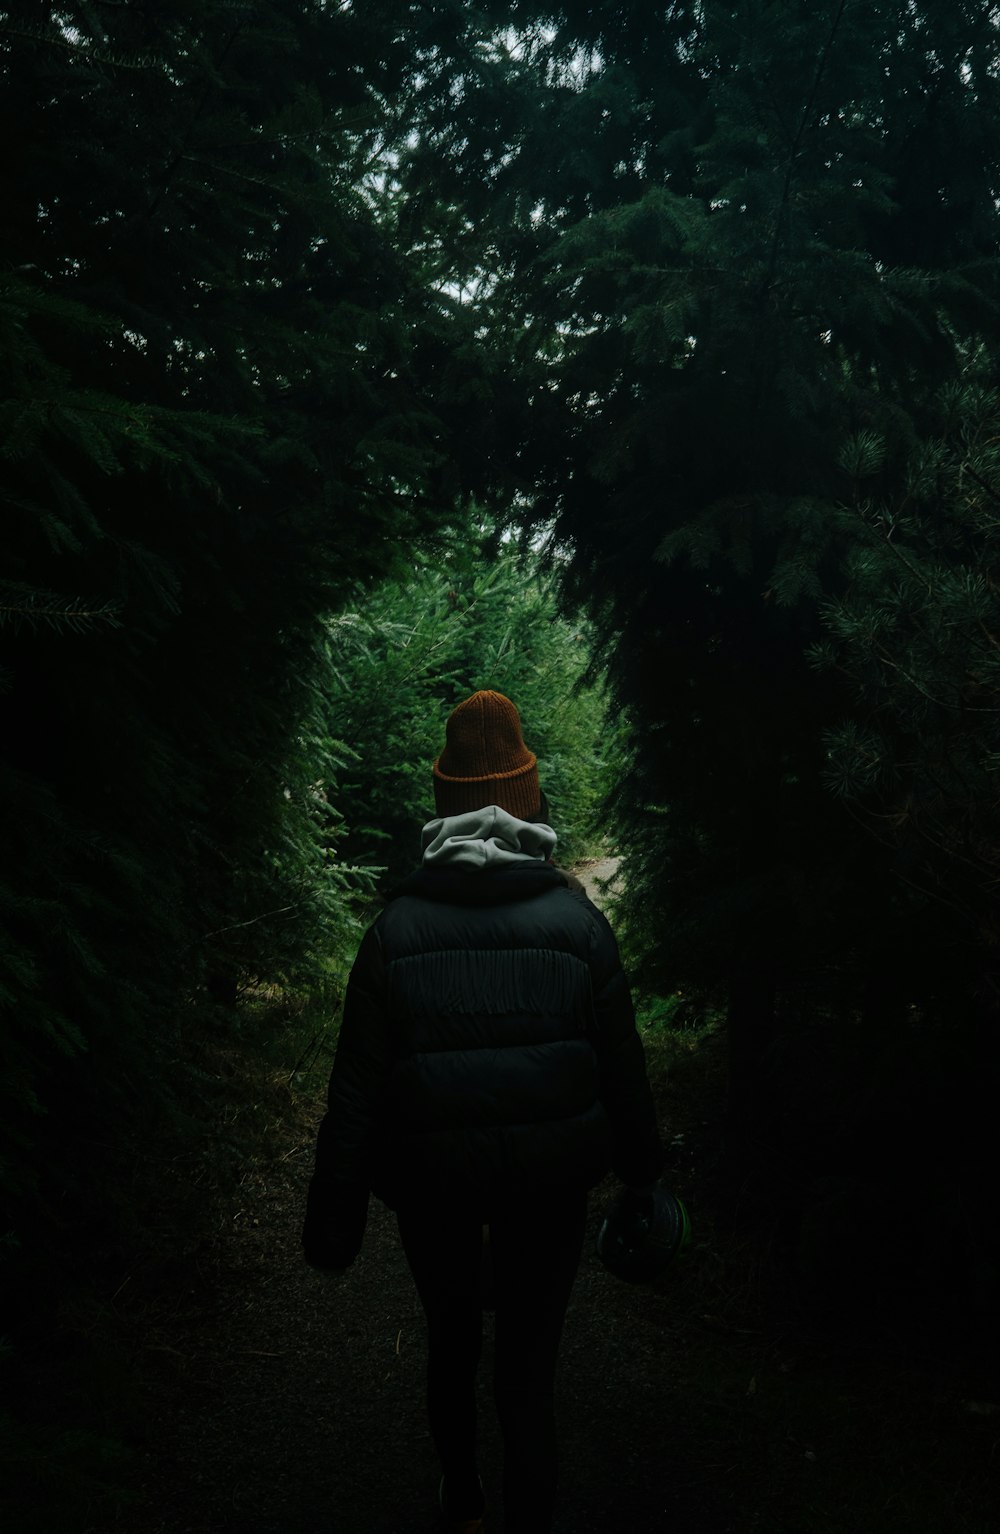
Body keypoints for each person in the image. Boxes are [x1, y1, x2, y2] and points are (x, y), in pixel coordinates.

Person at [302, 689, 664, 1534]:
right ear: (529, 800)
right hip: (550, 1186)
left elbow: (354, 1089)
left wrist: (334, 1217)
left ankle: (461, 1496)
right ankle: (528, 1512)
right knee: (529, 1367)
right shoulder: (578, 925)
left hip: (435, 1189)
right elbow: (623, 1066)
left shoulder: (394, 932)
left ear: (444, 807)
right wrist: (644, 1174)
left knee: (452, 1342)